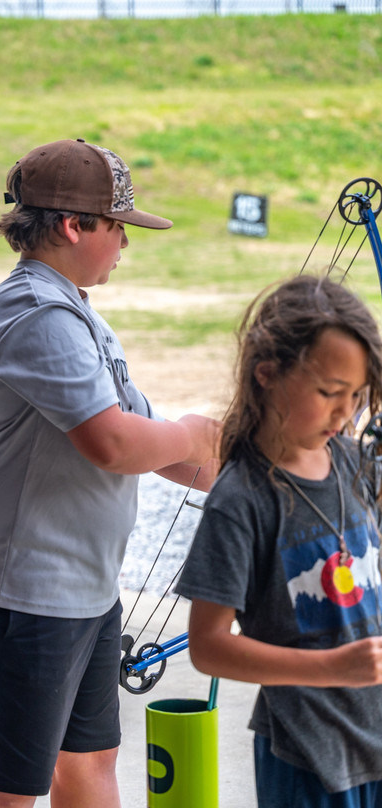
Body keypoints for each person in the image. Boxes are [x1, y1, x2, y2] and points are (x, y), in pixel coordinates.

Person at [0, 138, 222, 808]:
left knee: (91, 765)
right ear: (73, 226)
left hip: (83, 590)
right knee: (3, 792)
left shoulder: (75, 313)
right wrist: (191, 430)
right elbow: (113, 442)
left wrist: (261, 463)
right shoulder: (34, 312)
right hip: (26, 590)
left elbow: (162, 453)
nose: (125, 244)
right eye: (118, 227)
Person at [177, 275, 382, 806]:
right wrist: (331, 669)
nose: (346, 413)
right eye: (330, 393)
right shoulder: (241, 499)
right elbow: (208, 646)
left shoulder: (351, 462)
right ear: (267, 374)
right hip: (309, 757)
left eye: (356, 396)